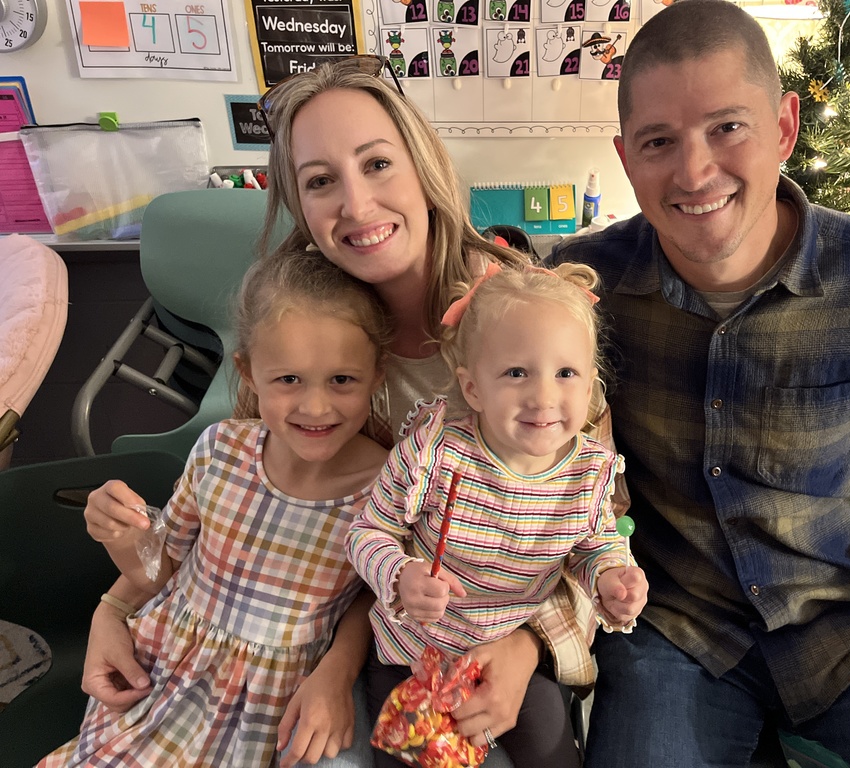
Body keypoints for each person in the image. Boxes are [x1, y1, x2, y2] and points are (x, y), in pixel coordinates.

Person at [78, 57, 617, 762]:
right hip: (371, 631)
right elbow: (254, 517)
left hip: (512, 614)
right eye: (322, 181)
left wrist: (525, 645)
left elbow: (588, 511)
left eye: (377, 164)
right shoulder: (304, 329)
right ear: (299, 206)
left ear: (424, 168)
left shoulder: (519, 316)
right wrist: (113, 606)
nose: (357, 206)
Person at [547, 2, 850, 767]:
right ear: (626, 157)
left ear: (785, 127)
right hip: (672, 633)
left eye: (728, 127)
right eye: (660, 142)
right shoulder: (579, 293)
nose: (693, 172)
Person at [43, 248, 390, 767]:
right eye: (288, 379)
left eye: (342, 379)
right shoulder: (219, 448)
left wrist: (338, 671)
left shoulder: (387, 486)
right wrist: (121, 540)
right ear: (248, 373)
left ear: (377, 375)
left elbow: (374, 597)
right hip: (158, 673)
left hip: (263, 706)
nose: (316, 407)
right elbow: (160, 564)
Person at [345, 262, 649, 767]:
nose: (544, 396)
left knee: (556, 758)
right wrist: (398, 575)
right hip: (414, 650)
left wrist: (611, 578)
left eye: (566, 373)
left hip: (512, 649)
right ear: (472, 388)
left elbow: (593, 545)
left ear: (590, 382)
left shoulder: (591, 470)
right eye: (516, 373)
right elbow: (367, 529)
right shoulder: (434, 453)